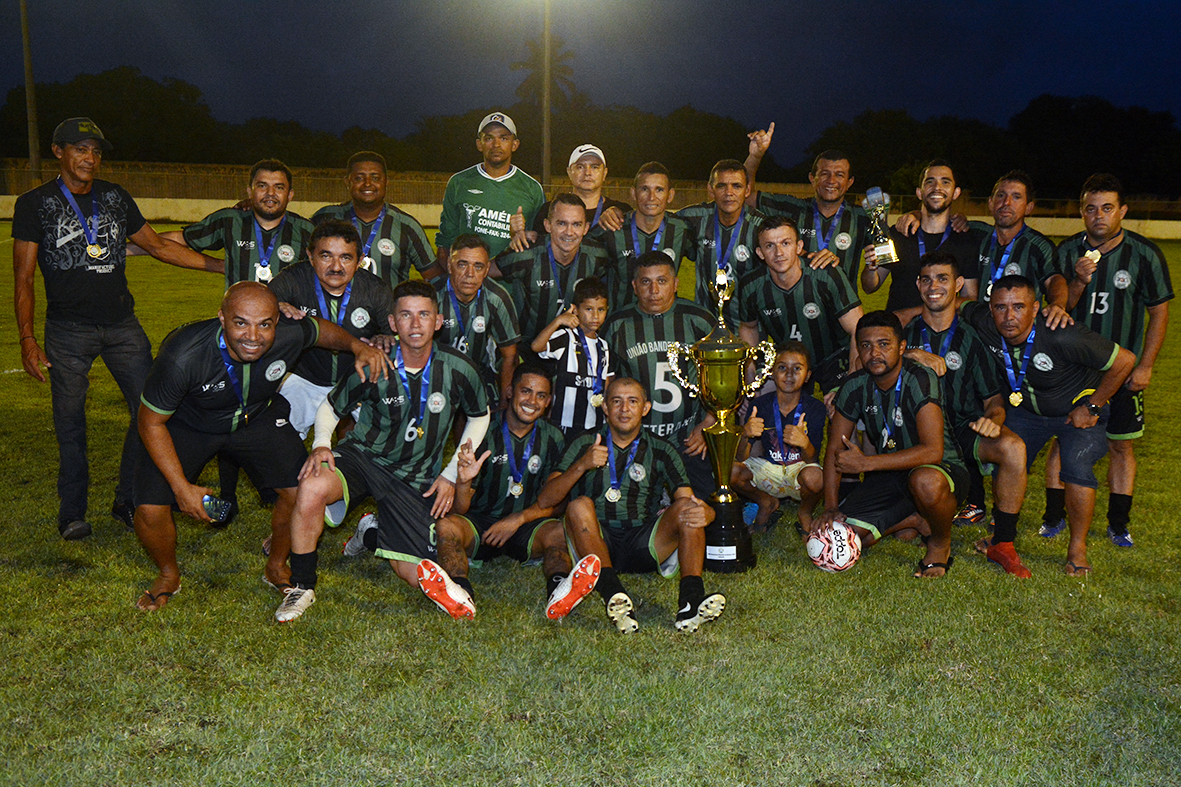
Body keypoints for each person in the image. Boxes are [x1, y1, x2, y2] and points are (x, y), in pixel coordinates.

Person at [12, 117, 220, 540]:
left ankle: (127, 500)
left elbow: (158, 246)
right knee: (70, 425)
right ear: (58, 151)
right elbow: (24, 278)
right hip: (67, 331)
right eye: (80, 149)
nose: (90, 158)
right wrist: (28, 339)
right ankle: (72, 513)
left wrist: (225, 268)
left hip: (123, 326)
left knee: (149, 413)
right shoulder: (34, 204)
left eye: (96, 151)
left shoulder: (115, 196)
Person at [132, 282, 391, 610]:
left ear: (276, 323)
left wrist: (356, 346)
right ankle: (168, 574)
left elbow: (319, 331)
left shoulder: (288, 333)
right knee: (150, 509)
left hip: (256, 418)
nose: (253, 336)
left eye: (264, 324)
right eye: (241, 322)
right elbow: (149, 423)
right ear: (222, 318)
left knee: (300, 492)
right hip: (191, 424)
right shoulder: (184, 354)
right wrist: (181, 488)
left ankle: (276, 566)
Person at [275, 280, 490, 622]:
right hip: (365, 457)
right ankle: (302, 585)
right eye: (405, 315)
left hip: (417, 476)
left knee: (410, 570)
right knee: (313, 484)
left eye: (424, 315)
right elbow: (332, 407)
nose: (415, 324)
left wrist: (450, 475)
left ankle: (372, 533)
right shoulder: (374, 363)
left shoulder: (460, 368)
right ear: (392, 323)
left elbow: (480, 416)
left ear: (438, 320)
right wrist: (320, 445)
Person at [962, 276, 1135, 575]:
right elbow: (953, 305)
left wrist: (1093, 406)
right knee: (1008, 456)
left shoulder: (1060, 333)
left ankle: (1077, 549)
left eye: (1019, 307)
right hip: (1028, 412)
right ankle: (1002, 538)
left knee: (1076, 466)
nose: (1009, 316)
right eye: (1000, 308)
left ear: (1035, 308)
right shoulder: (987, 324)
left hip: (1076, 412)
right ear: (990, 310)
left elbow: (1125, 361)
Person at [1040, 174, 1172, 547]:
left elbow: (1159, 313)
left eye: (1108, 208)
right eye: (1091, 208)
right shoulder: (1065, 253)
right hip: (1075, 370)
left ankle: (1118, 523)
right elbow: (1059, 309)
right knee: (1061, 440)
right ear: (1082, 212)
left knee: (1120, 444)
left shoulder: (1145, 254)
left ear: (1123, 211)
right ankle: (1053, 517)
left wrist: (1144, 365)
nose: (1099, 215)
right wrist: (1078, 281)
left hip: (1125, 367)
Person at [537, 377, 723, 633]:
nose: (624, 409)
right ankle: (614, 593)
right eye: (616, 401)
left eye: (632, 401)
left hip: (643, 543)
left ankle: (690, 602)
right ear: (605, 408)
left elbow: (687, 500)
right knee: (579, 505)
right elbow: (546, 500)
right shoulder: (584, 443)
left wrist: (708, 513)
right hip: (596, 542)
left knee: (688, 510)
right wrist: (581, 465)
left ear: (645, 408)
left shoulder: (662, 449)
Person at [431, 364, 602, 620]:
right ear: (510, 392)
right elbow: (459, 509)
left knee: (558, 531)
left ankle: (559, 590)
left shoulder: (553, 438)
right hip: (481, 523)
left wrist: (519, 519)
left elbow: (558, 503)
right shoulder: (482, 431)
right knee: (446, 527)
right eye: (526, 391)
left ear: (548, 402)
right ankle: (459, 593)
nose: (532, 401)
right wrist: (463, 482)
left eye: (541, 395)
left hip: (527, 524)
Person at [901, 253, 1031, 576]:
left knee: (1014, 448)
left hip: (961, 429)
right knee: (906, 532)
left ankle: (1003, 543)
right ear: (918, 285)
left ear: (958, 284)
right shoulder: (904, 333)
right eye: (927, 279)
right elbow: (874, 365)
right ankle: (910, 515)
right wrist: (912, 355)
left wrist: (995, 418)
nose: (934, 286)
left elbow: (994, 400)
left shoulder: (973, 339)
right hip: (913, 435)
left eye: (943, 278)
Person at [817, 311, 969, 578]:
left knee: (926, 483)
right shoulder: (854, 386)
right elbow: (834, 450)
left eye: (884, 344)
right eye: (866, 345)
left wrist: (866, 463)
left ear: (901, 347)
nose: (874, 353)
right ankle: (913, 519)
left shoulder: (920, 378)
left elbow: (933, 451)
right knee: (847, 540)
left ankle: (939, 543)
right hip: (888, 473)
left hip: (939, 470)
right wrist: (831, 506)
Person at [601, 251, 717, 498]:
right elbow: (607, 381)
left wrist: (708, 422)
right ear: (634, 286)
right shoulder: (617, 325)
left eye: (662, 281)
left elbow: (719, 377)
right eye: (645, 282)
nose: (654, 290)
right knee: (629, 506)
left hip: (688, 436)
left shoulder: (699, 320)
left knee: (705, 506)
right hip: (637, 436)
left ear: (675, 284)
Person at [267, 219, 394, 437]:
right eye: (326, 256)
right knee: (276, 440)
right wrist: (274, 307)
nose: (336, 267)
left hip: (357, 380)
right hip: (305, 379)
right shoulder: (291, 280)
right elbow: (257, 308)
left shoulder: (376, 289)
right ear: (310, 256)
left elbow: (395, 332)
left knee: (378, 447)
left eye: (346, 257)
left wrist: (387, 337)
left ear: (359, 261)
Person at [734, 217, 863, 399]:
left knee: (844, 411)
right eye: (770, 246)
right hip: (787, 359)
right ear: (760, 253)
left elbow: (857, 327)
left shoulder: (826, 275)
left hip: (834, 357)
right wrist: (749, 377)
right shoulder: (751, 285)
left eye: (785, 243)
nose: (779, 252)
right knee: (756, 405)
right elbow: (748, 327)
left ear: (799, 246)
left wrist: (851, 380)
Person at [744, 124, 869, 282]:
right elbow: (744, 195)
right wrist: (755, 157)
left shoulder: (862, 217)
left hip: (843, 305)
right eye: (824, 174)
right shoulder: (793, 209)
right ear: (812, 178)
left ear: (849, 182)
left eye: (839, 175)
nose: (831, 181)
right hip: (796, 303)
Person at [170, 159, 315, 287]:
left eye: (279, 187)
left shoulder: (306, 230)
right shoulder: (230, 220)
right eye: (262, 186)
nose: (270, 193)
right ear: (250, 191)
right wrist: (219, 266)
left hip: (287, 317)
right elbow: (174, 241)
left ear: (290, 195)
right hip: (239, 316)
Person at [862, 160, 983, 311]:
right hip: (899, 330)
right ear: (919, 192)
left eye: (945, 182)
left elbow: (969, 299)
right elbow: (870, 286)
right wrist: (871, 269)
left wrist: (913, 313)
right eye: (930, 182)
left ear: (956, 193)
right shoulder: (898, 234)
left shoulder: (965, 240)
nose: (937, 188)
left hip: (941, 332)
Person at [494, 193, 609, 350]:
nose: (569, 232)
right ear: (548, 225)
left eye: (576, 224)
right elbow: (482, 271)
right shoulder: (525, 254)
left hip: (575, 351)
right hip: (528, 350)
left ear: (586, 228)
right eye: (561, 223)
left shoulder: (598, 256)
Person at [732, 343, 826, 532]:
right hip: (770, 469)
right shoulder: (760, 405)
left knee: (816, 478)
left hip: (798, 470)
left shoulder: (816, 408)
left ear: (807, 376)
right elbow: (742, 457)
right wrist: (745, 434)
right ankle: (765, 501)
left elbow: (812, 459)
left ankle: (805, 511)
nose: (789, 374)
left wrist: (804, 443)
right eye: (782, 367)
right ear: (772, 373)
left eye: (797, 368)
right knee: (730, 471)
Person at [434, 112, 545, 266]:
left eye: (504, 138)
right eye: (489, 138)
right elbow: (445, 242)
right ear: (479, 144)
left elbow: (539, 241)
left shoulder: (532, 188)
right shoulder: (459, 182)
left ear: (515, 144)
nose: (496, 145)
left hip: (511, 286)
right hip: (467, 281)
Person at [311, 151, 435, 287]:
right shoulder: (324, 218)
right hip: (334, 308)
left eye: (375, 178)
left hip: (388, 308)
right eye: (359, 178)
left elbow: (434, 277)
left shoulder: (407, 226)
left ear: (386, 181)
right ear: (348, 181)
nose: (367, 184)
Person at [434, 234, 520, 407]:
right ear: (450, 265)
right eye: (462, 264)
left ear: (487, 269)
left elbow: (509, 355)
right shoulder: (431, 295)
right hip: (437, 373)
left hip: (478, 371)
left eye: (478, 266)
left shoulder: (498, 298)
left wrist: (505, 404)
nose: (470, 274)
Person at [596, 161, 694, 309]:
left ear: (670, 195)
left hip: (664, 321)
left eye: (659, 190)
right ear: (633, 193)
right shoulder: (613, 227)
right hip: (622, 322)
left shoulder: (682, 229)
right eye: (644, 189)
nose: (651, 197)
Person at [676, 159, 765, 316]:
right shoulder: (695, 217)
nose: (729, 193)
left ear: (747, 190)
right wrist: (618, 212)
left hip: (747, 324)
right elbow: (656, 220)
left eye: (736, 186)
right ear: (711, 189)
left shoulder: (761, 226)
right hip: (705, 322)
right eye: (721, 185)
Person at [534, 276, 615, 435]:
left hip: (595, 425)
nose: (595, 316)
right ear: (576, 309)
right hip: (563, 423)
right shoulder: (566, 337)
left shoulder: (605, 346)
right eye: (589, 309)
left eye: (601, 309)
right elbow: (536, 346)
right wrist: (557, 321)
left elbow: (608, 386)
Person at [527, 145, 629, 238]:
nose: (587, 173)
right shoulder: (548, 211)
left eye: (595, 167)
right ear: (569, 172)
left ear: (604, 173)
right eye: (580, 167)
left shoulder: (620, 212)